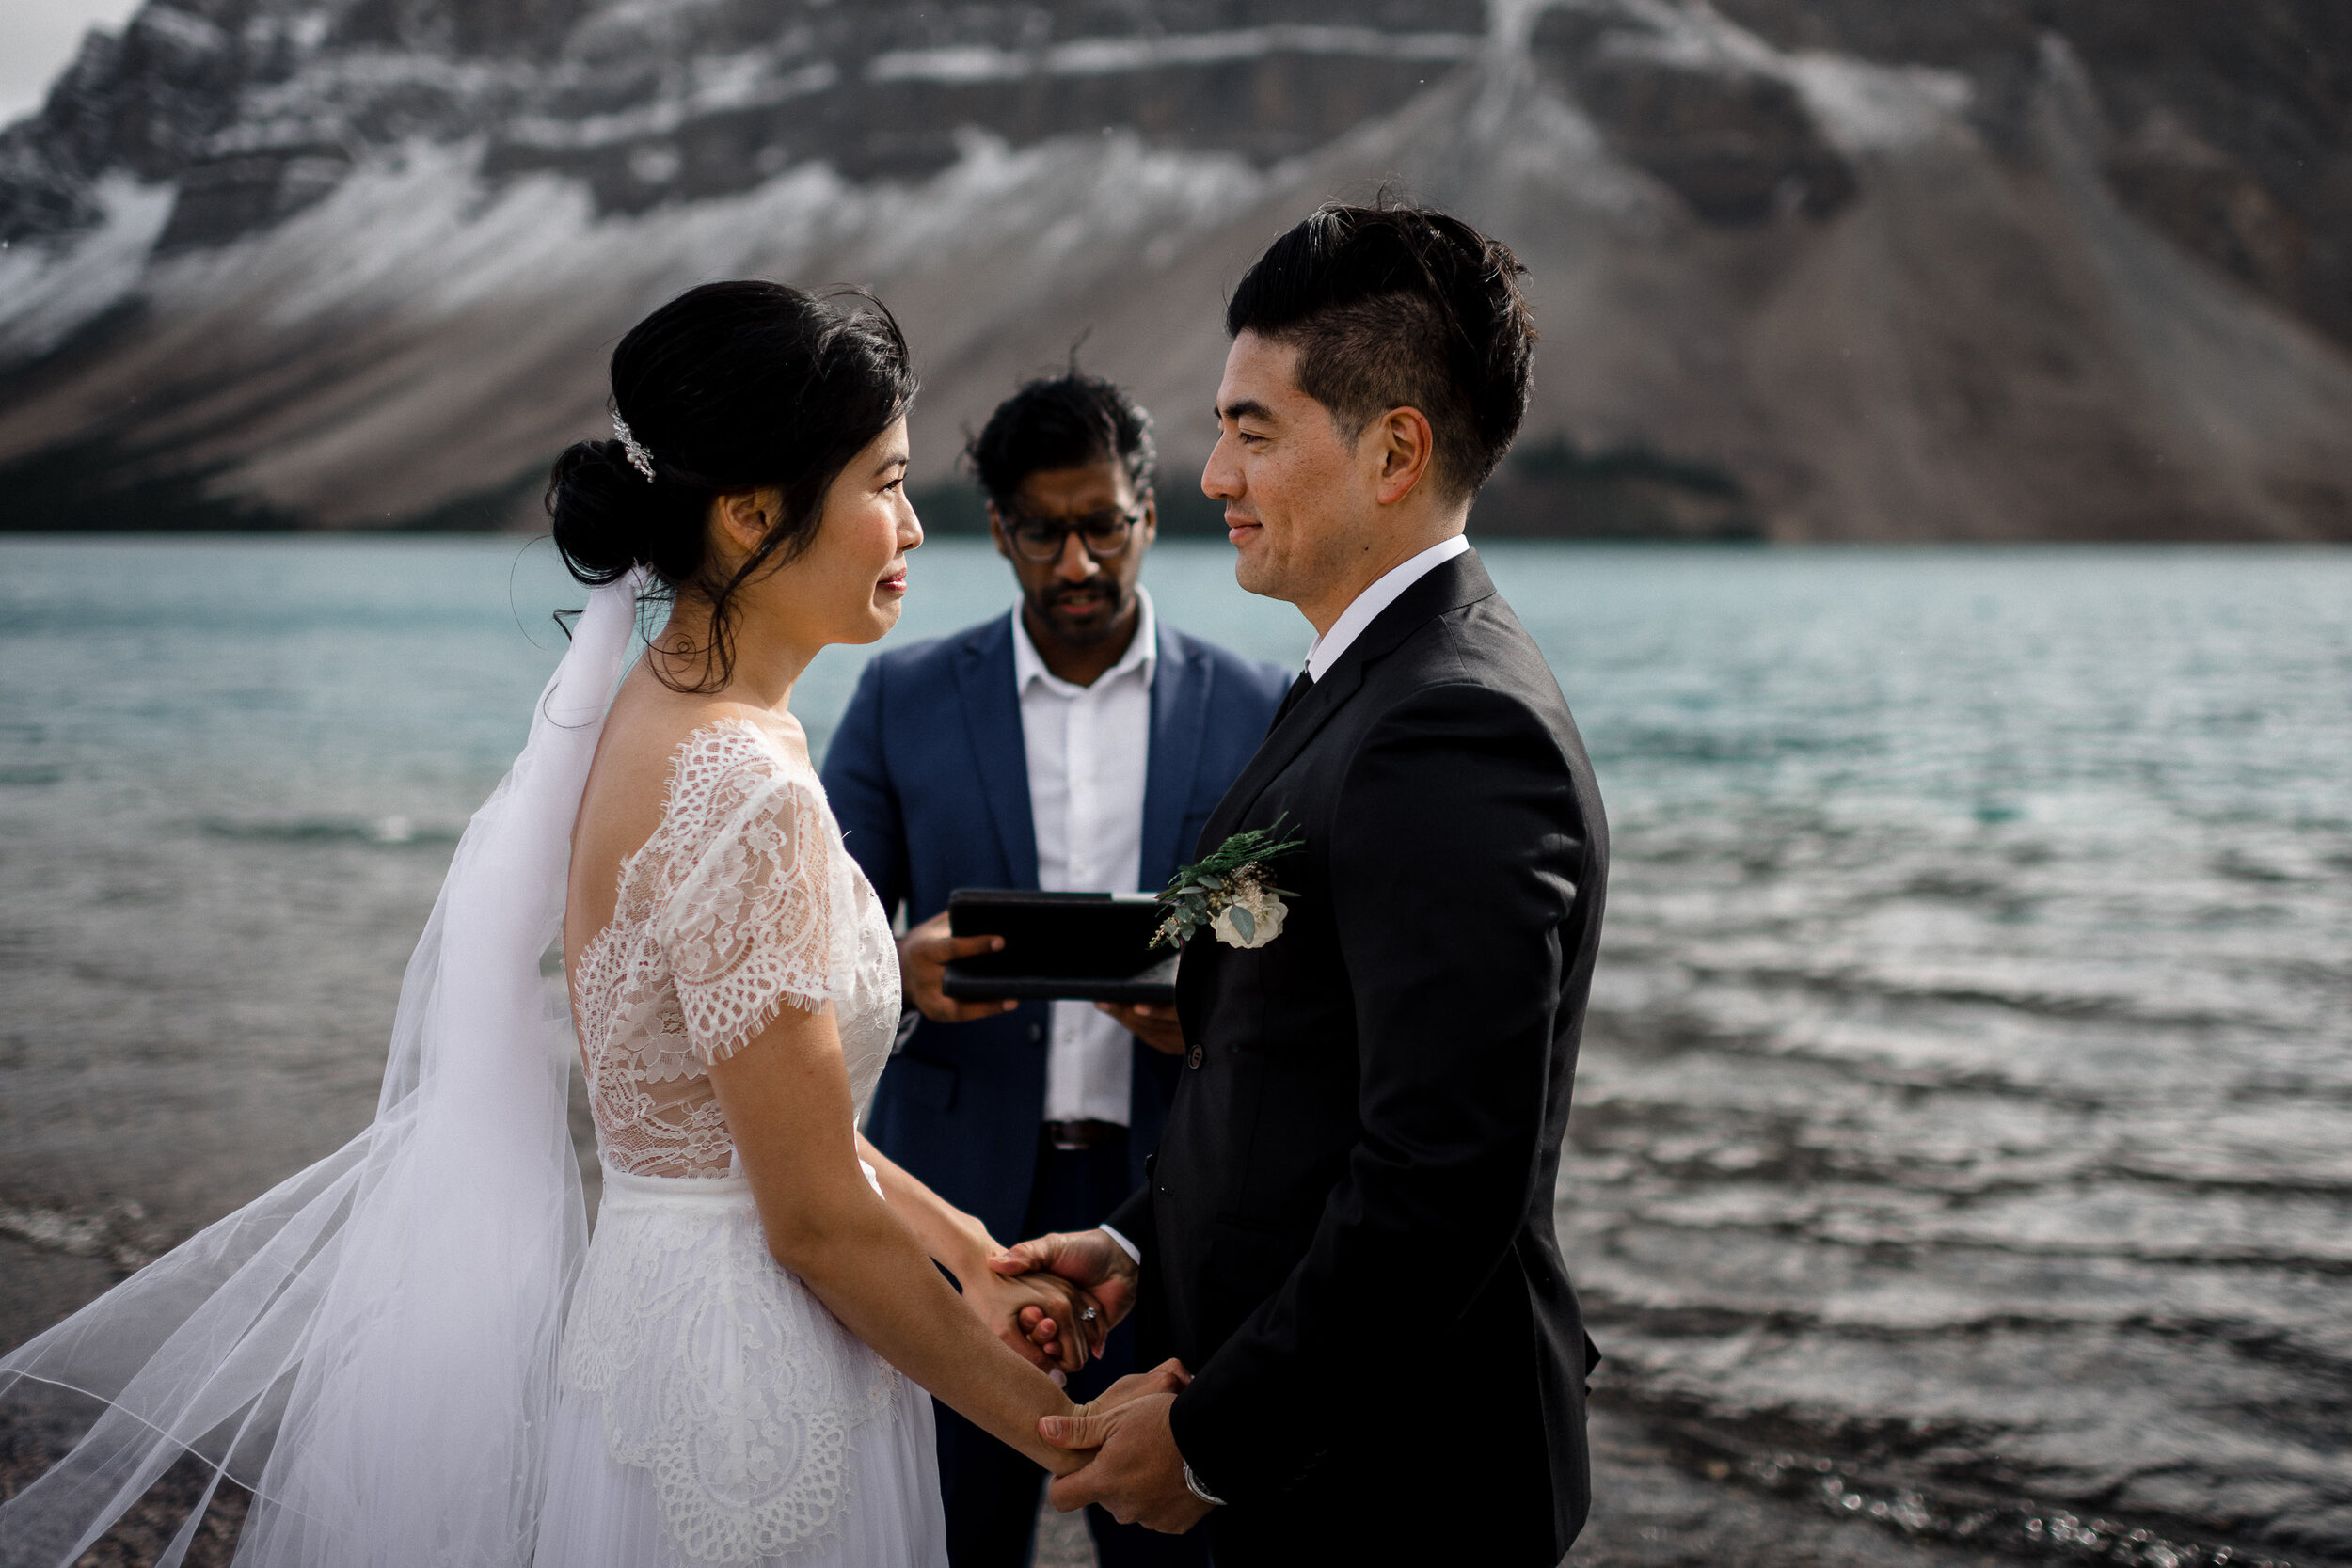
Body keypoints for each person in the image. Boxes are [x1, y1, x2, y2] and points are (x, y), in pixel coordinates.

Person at [0, 281, 1182, 1568]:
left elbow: (766, 1130)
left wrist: (969, 1250)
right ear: (747, 514)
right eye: (883, 483)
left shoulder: (652, 718)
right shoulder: (747, 788)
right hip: (754, 1386)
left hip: (653, 1337)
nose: (909, 524)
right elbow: (809, 1220)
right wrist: (1071, 1432)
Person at [991, 203, 1611, 1565]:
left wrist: (1216, 1441)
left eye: (1252, 429)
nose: (1211, 473)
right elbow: (1290, 1074)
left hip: (1390, 1488)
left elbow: (1441, 1182)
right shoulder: (1359, 683)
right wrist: (1137, 1241)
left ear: (1396, 448)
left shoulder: (1454, 729)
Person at [822, 371, 1286, 1568]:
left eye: (1105, 526)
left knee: (1172, 1544)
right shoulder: (901, 694)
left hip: (1169, 1209)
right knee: (950, 1540)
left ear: (1148, 511)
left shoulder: (1255, 706)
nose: (1077, 562)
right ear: (999, 530)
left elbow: (1292, 957)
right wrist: (897, 964)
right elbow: (813, 944)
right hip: (954, 1217)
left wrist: (1206, 1010)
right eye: (1044, 531)